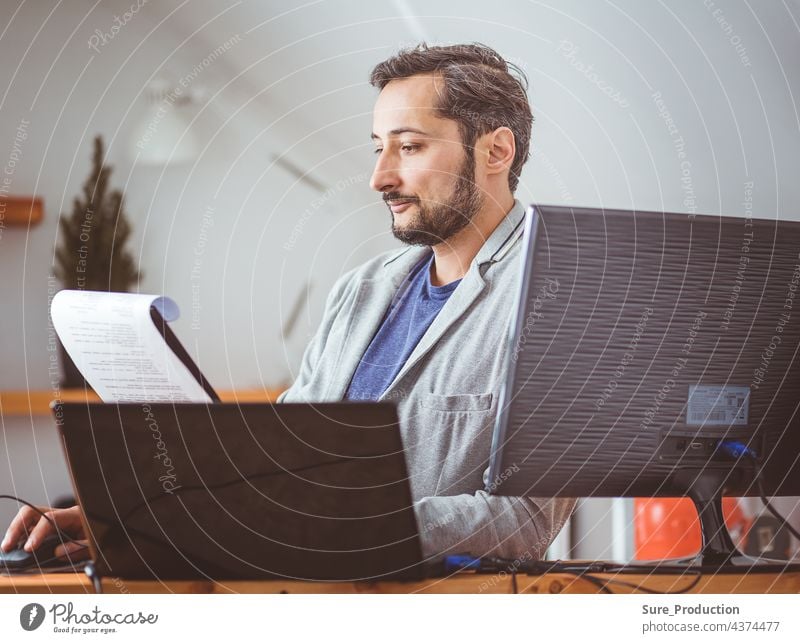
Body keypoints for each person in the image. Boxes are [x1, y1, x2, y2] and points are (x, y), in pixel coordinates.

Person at [2, 43, 574, 564]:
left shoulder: (563, 299)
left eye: (410, 146)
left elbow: (524, 523)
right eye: (379, 149)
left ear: (497, 150)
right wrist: (130, 521)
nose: (379, 176)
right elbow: (282, 463)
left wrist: (343, 522)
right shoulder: (362, 290)